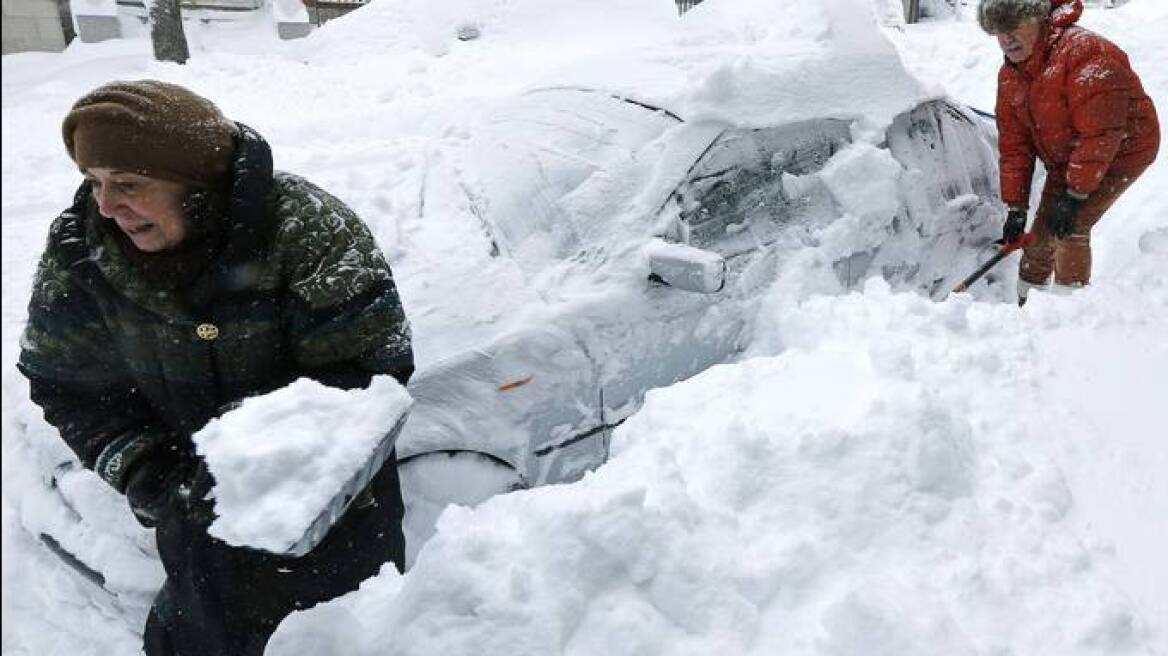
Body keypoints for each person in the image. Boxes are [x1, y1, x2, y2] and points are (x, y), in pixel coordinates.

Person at [17, 80, 415, 655]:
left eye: (128, 184)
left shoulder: (307, 229)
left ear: (197, 187)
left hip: (334, 509)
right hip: (190, 517)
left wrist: (247, 460)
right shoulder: (81, 246)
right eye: (95, 182)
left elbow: (370, 375)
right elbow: (66, 382)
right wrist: (152, 472)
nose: (106, 206)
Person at [977, 0, 1159, 304]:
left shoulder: (1085, 53)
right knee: (1042, 234)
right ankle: (1026, 307)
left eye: (1014, 27)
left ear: (1037, 18)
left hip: (1122, 148)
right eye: (998, 30)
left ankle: (1068, 316)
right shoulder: (1011, 75)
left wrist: (1075, 197)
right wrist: (1016, 208)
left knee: (1071, 226)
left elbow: (1099, 135)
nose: (1006, 39)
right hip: (1071, 155)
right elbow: (1015, 146)